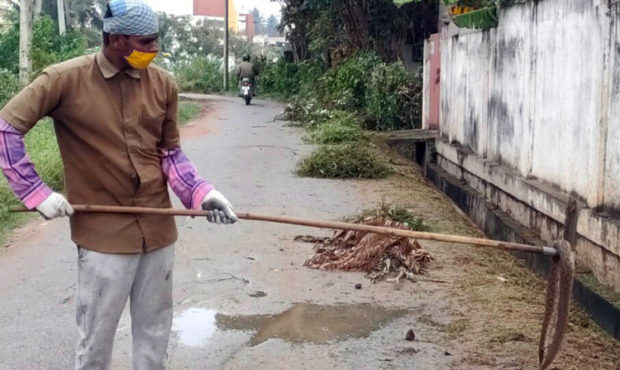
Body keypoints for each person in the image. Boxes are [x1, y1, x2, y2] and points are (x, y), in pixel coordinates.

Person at [0, 1, 236, 369]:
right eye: (147, 42)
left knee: (155, 335)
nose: (154, 49)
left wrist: (202, 192)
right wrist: (34, 192)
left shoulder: (163, 84)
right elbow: (6, 128)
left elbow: (170, 154)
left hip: (158, 230)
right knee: (95, 343)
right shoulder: (64, 79)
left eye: (157, 41)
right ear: (117, 40)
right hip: (103, 238)